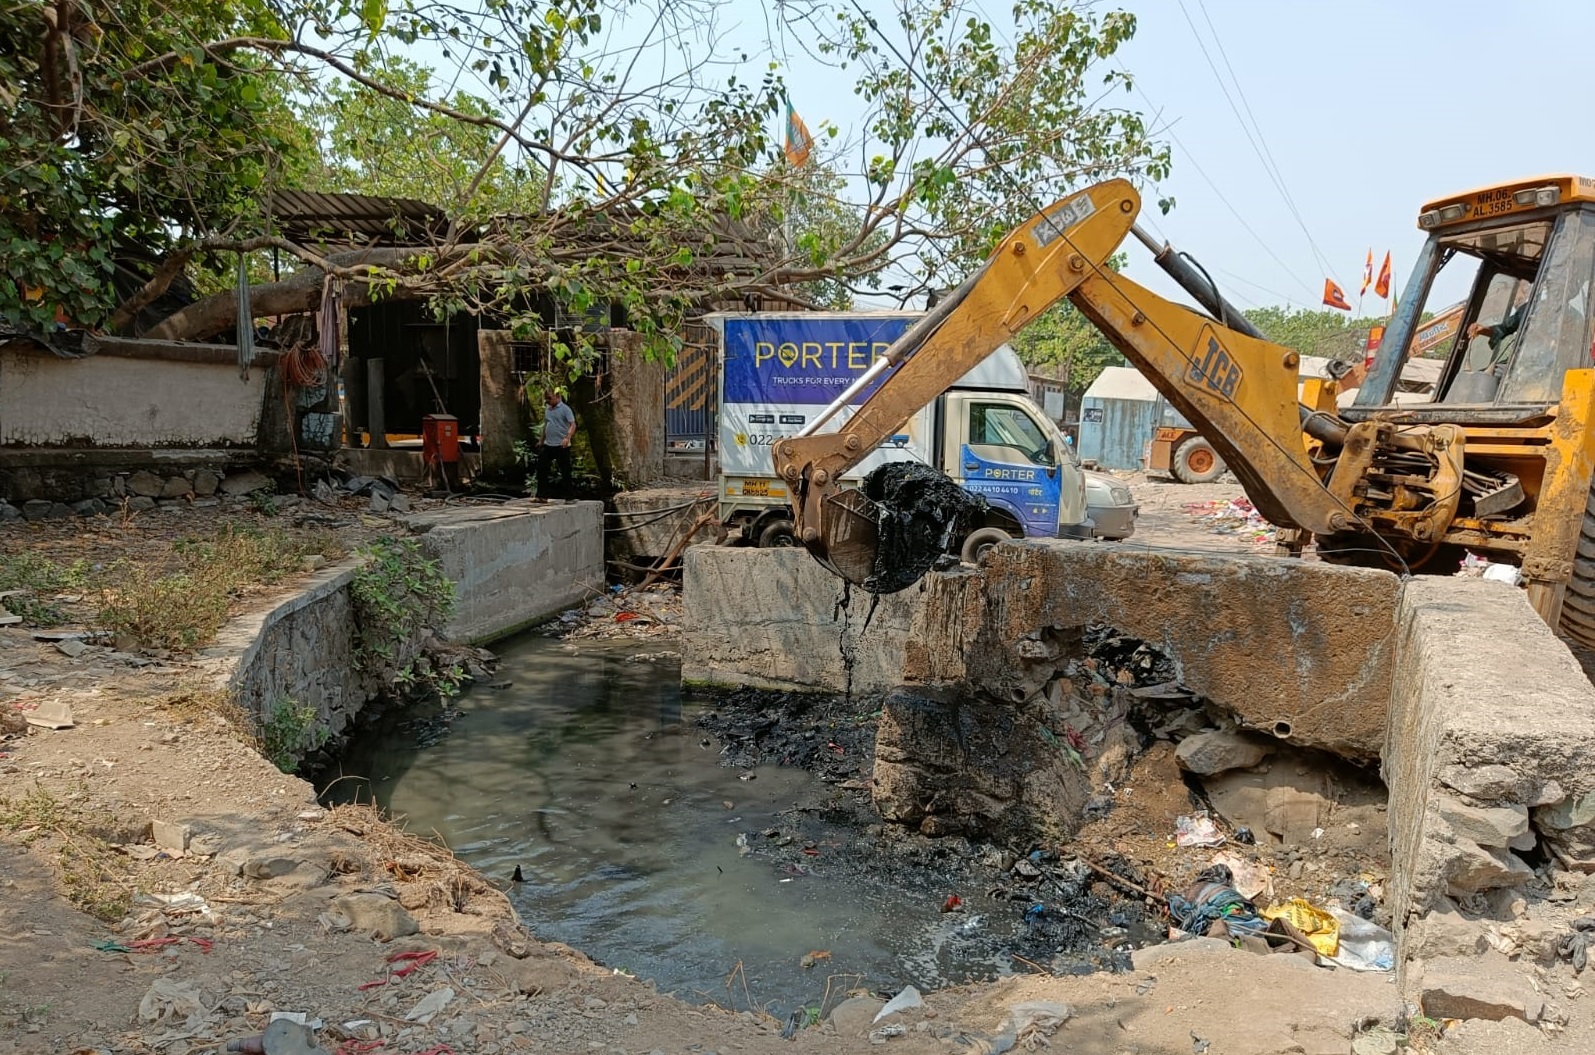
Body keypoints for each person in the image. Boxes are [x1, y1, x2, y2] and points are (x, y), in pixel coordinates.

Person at [536, 388, 576, 500]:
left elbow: (573, 425)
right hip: (548, 444)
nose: (547, 401)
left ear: (557, 397)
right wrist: (541, 440)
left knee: (565, 471)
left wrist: (567, 438)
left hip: (561, 445)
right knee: (542, 469)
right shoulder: (548, 409)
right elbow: (546, 425)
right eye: (546, 398)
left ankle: (569, 496)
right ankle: (541, 495)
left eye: (549, 398)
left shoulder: (565, 409)